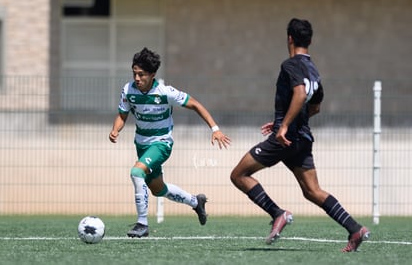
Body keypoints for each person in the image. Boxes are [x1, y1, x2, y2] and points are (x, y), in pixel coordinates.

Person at [230, 18, 370, 252]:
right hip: (303, 139)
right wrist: (286, 119)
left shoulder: (290, 64)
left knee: (239, 175)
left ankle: (278, 213)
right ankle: (355, 228)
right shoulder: (313, 70)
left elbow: (299, 94)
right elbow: (315, 107)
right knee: (312, 191)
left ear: (290, 39)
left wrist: (283, 126)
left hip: (285, 138)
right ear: (310, 41)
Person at [109, 47, 231, 238]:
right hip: (141, 145)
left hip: (161, 144)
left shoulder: (165, 92)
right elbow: (122, 115)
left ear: (152, 74)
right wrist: (116, 129)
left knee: (136, 172)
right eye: (134, 74)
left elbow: (195, 105)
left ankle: (142, 224)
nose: (137, 78)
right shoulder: (128, 90)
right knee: (158, 189)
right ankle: (195, 202)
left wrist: (215, 129)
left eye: (141, 74)